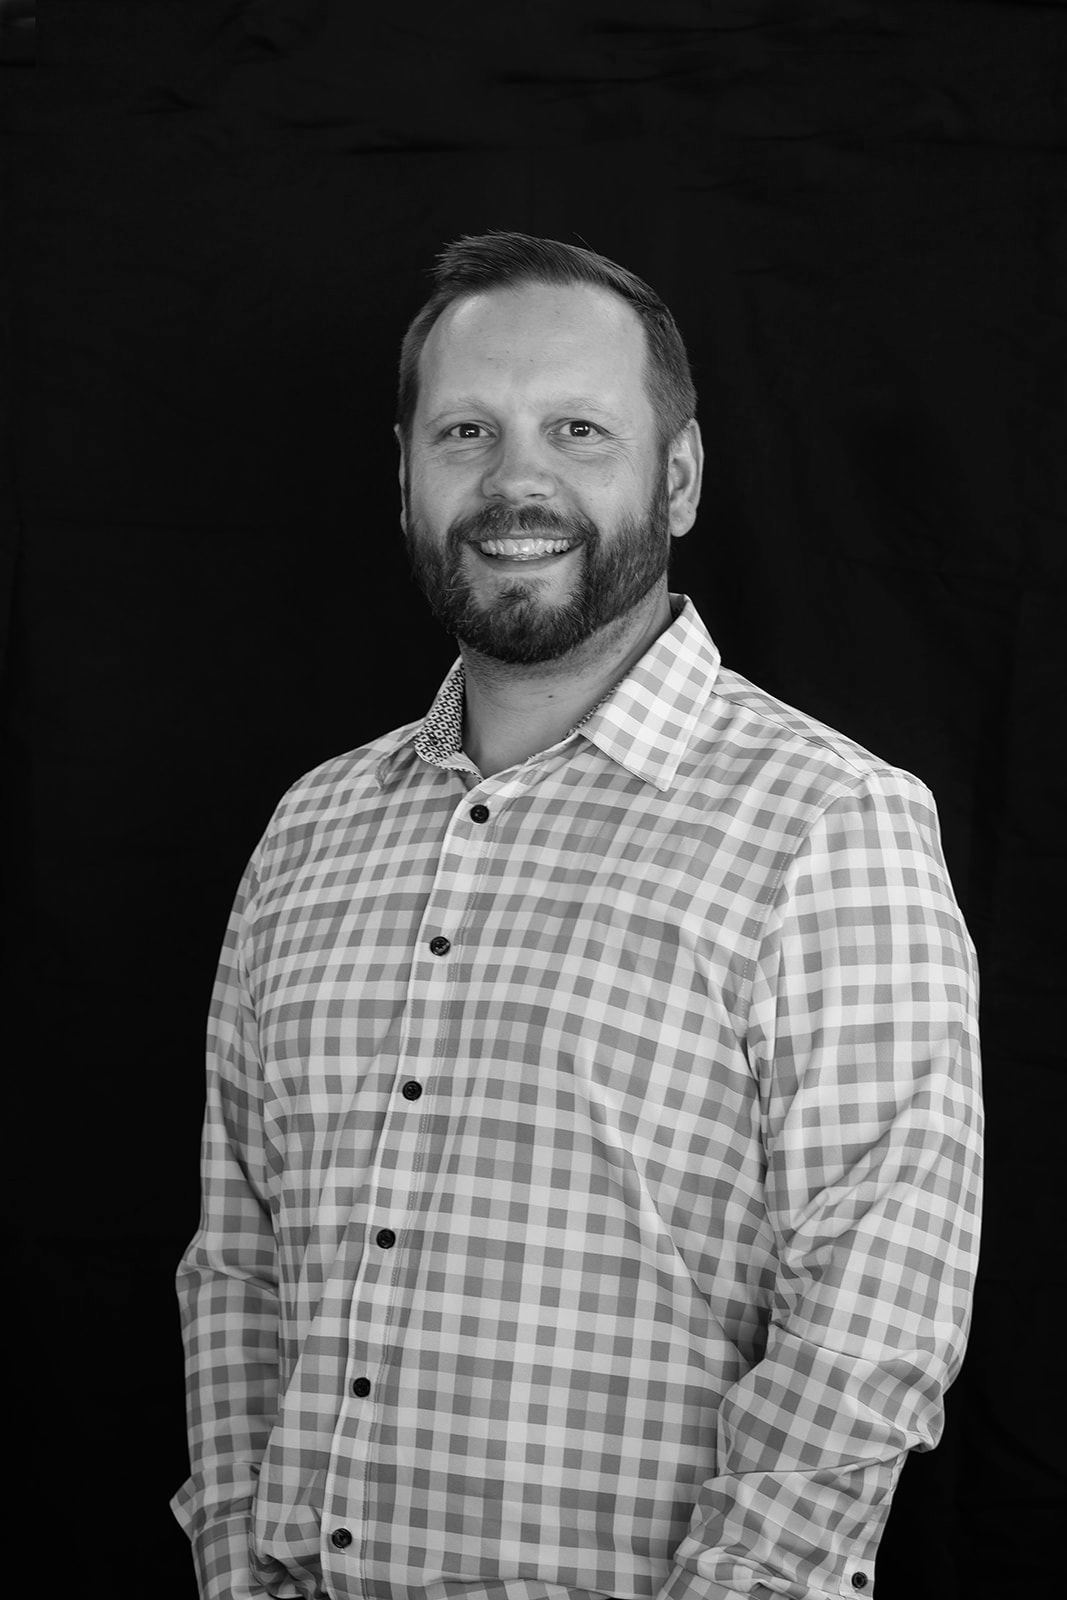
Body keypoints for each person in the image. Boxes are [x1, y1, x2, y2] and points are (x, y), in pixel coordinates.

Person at [172, 231, 982, 1600]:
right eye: (467, 432)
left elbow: (870, 1326)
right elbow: (239, 1268)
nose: (515, 481)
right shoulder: (311, 829)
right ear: (405, 475)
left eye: (577, 430)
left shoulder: (829, 823)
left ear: (679, 477)